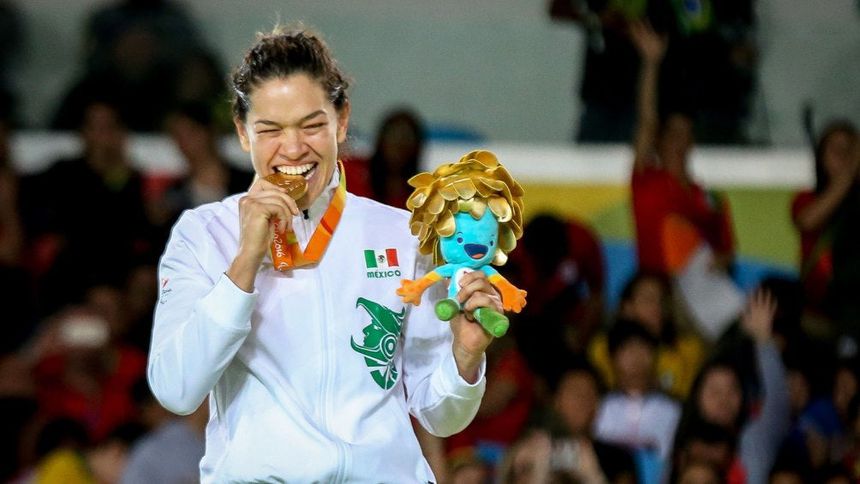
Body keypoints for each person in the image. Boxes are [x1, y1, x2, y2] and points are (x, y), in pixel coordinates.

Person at [147, 27, 499, 482]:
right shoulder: (204, 235)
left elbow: (441, 416)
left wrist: (464, 358)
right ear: (242, 132)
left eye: (311, 125)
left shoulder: (402, 235)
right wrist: (245, 262)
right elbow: (176, 389)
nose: (294, 148)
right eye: (270, 130)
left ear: (342, 120)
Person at [588, 272, 704, 399]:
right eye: (648, 300)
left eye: (661, 301)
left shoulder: (688, 348)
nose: (657, 308)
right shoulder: (602, 348)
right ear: (627, 308)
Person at [791, 120, 859, 317]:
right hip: (822, 303)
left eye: (849, 150)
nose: (843, 156)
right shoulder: (806, 198)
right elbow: (808, 221)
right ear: (821, 157)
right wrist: (848, 174)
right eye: (835, 150)